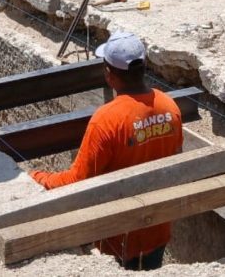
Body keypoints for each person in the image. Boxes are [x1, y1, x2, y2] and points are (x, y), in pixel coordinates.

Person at [30, 32, 183, 271]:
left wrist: (39, 178)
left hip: (116, 237)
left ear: (109, 75)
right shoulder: (169, 106)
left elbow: (77, 181)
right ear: (144, 67)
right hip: (157, 229)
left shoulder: (106, 120)